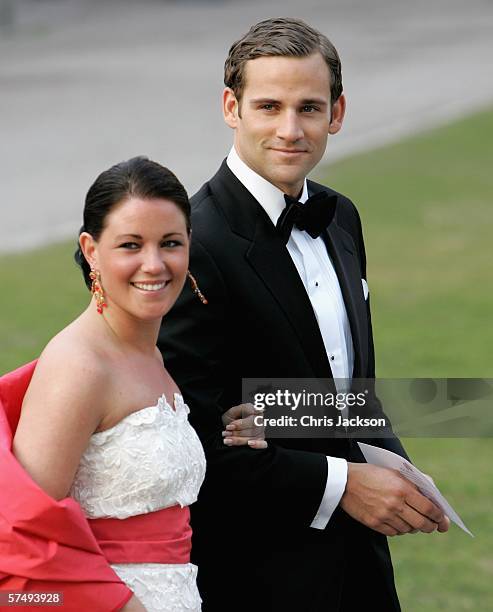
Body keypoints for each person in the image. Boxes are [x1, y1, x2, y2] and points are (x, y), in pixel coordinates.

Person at [158, 18, 450, 612]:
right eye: (268, 106)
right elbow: (191, 442)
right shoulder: (189, 245)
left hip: (362, 568)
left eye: (309, 108)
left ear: (337, 113)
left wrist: (394, 466)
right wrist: (343, 485)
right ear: (230, 107)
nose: (289, 130)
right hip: (255, 575)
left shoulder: (342, 217)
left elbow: (339, 391)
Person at [0, 157, 265, 611]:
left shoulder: (153, 355)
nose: (154, 264)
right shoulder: (79, 365)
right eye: (130, 245)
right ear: (91, 250)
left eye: (170, 243)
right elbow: (20, 538)